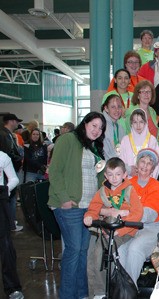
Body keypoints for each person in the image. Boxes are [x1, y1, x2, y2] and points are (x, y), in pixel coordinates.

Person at [48, 112, 107, 299]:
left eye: (101, 128)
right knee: (74, 250)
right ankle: (67, 295)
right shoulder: (67, 140)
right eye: (94, 125)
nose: (97, 130)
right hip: (70, 206)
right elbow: (55, 171)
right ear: (85, 123)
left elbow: (97, 177)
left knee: (82, 251)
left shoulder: (94, 147)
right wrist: (64, 198)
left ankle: (81, 294)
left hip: (87, 207)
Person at [83, 157, 143, 295]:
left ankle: (109, 291)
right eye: (110, 174)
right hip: (106, 231)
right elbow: (94, 207)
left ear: (124, 175)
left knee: (105, 255)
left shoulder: (129, 191)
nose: (114, 178)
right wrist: (89, 217)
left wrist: (120, 231)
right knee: (94, 257)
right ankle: (99, 292)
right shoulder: (103, 191)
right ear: (105, 176)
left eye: (117, 174)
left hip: (124, 231)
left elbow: (137, 213)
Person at [121, 149, 159, 285]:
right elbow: (120, 207)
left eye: (149, 163)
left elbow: (149, 214)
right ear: (137, 164)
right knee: (120, 250)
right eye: (143, 161)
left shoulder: (156, 186)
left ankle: (129, 290)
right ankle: (120, 288)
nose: (145, 166)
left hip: (150, 228)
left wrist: (127, 213)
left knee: (135, 248)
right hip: (129, 227)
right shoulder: (128, 183)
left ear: (153, 169)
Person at [0, 151, 24, 299]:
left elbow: (14, 178)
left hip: (1, 200)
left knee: (6, 246)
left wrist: (6, 190)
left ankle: (12, 288)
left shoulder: (2, 156)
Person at [120, 109, 159, 179]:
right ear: (131, 124)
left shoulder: (152, 140)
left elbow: (157, 163)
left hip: (148, 180)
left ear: (146, 123)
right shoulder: (125, 140)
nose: (138, 125)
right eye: (135, 122)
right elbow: (122, 161)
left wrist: (151, 179)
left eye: (141, 122)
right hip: (129, 180)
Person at [0, 114, 23, 232]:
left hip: (8, 174)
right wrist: (18, 159)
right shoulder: (5, 135)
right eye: (16, 121)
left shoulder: (7, 134)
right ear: (11, 121)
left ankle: (11, 223)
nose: (17, 123)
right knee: (10, 199)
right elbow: (8, 154)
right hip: (6, 176)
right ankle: (11, 223)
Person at [125, 80, 159, 145]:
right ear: (138, 95)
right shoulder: (131, 112)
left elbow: (156, 131)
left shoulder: (152, 111)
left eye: (148, 92)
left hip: (154, 148)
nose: (146, 94)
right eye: (143, 92)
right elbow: (129, 134)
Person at [101, 94, 126, 160]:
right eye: (113, 107)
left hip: (117, 164)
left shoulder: (120, 128)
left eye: (119, 106)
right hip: (106, 166)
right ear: (106, 108)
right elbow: (107, 154)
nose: (117, 110)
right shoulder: (102, 126)